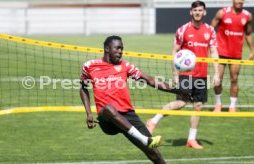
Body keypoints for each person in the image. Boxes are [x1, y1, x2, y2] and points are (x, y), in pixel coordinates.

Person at [80, 35, 191, 164]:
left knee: (154, 154)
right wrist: (88, 113)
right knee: (109, 109)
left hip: (128, 115)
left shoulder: (125, 66)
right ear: (107, 49)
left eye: (122, 48)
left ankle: (146, 142)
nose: (121, 51)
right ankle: (144, 139)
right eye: (117, 48)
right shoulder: (90, 66)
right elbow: (83, 88)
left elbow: (150, 80)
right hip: (107, 119)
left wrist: (177, 90)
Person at [146, 1, 220, 149]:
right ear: (190, 12)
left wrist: (217, 73)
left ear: (205, 12)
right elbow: (175, 51)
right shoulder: (183, 30)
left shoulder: (210, 31)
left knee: (198, 106)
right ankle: (153, 121)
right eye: (195, 10)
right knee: (181, 103)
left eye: (200, 10)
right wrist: (175, 74)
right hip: (186, 74)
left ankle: (191, 140)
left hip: (202, 75)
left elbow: (213, 52)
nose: (198, 12)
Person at [211, 0, 254, 112]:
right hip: (221, 53)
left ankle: (232, 106)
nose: (239, 1)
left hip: (236, 54)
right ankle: (218, 104)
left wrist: (252, 50)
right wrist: (210, 46)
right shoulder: (222, 13)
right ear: (233, 0)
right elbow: (211, 29)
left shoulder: (247, 16)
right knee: (218, 79)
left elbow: (248, 33)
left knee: (234, 79)